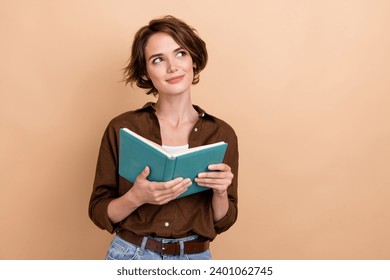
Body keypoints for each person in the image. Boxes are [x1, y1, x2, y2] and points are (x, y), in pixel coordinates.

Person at [88, 15, 239, 260]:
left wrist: (221, 192)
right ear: (146, 72)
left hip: (195, 259)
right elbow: (98, 210)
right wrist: (137, 197)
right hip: (131, 256)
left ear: (193, 60)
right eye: (158, 60)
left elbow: (223, 220)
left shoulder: (221, 134)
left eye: (181, 54)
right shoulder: (123, 128)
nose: (172, 67)